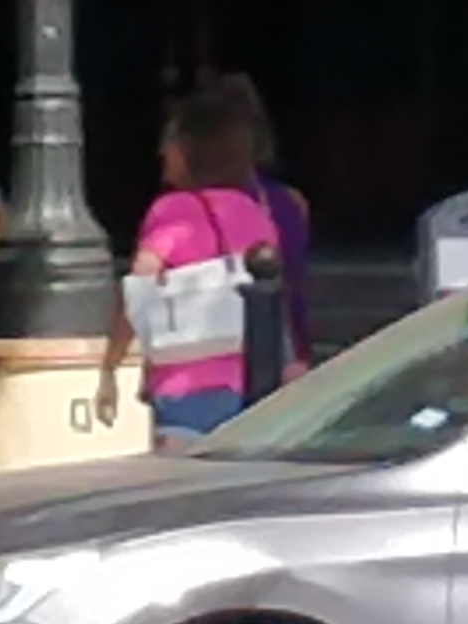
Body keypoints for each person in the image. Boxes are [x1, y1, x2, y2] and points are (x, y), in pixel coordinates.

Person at [118, 84, 299, 442]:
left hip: (181, 382)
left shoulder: (170, 210)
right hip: (245, 379)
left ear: (189, 150)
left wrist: (116, 358)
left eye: (170, 141)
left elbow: (141, 279)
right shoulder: (252, 212)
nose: (162, 151)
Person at [198, 70, 319, 374]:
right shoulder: (291, 201)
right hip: (285, 343)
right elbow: (295, 286)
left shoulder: (198, 208)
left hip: (224, 350)